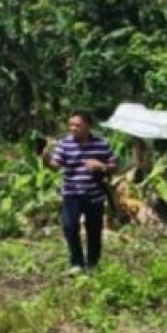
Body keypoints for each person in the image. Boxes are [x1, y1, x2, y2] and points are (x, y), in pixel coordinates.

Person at [47, 111, 117, 274]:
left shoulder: (101, 144)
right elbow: (55, 165)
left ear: (88, 126)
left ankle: (93, 264)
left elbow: (114, 165)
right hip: (71, 193)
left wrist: (101, 166)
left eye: (77, 125)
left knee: (94, 230)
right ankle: (76, 263)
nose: (73, 128)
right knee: (70, 227)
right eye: (70, 125)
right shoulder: (64, 144)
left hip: (94, 194)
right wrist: (45, 158)